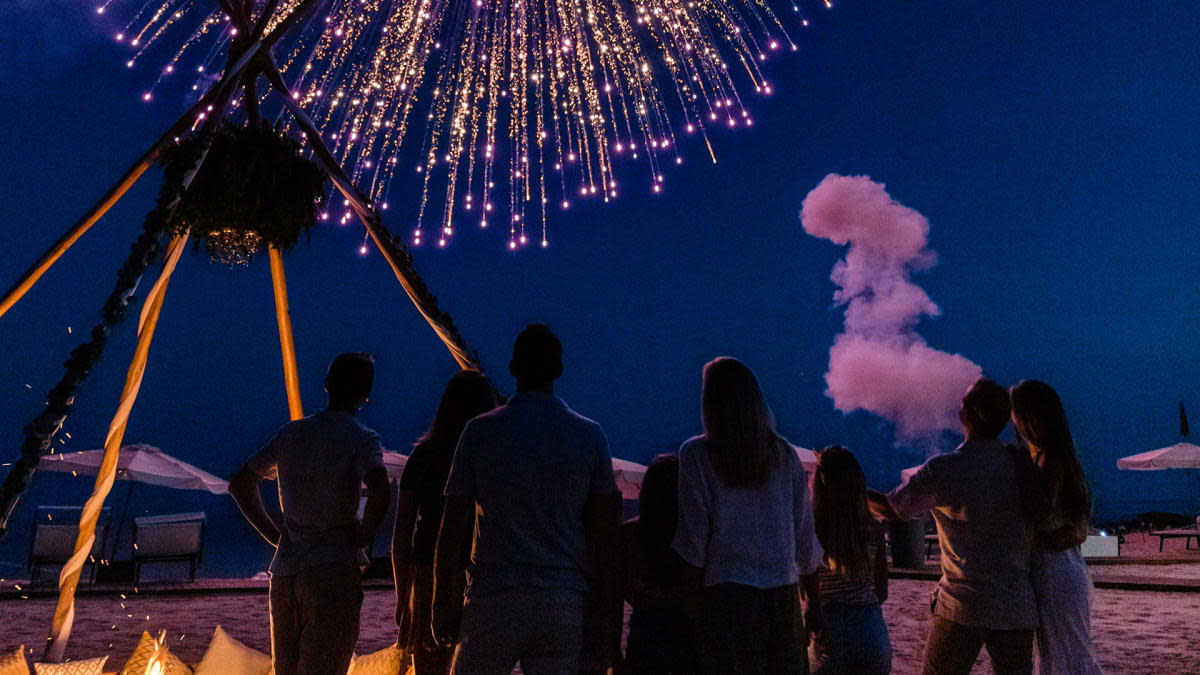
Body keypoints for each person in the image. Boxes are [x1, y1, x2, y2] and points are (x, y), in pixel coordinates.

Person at [431, 323, 623, 675]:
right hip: (561, 599)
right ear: (559, 370)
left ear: (513, 367)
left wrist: (442, 600)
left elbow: (452, 527)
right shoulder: (589, 436)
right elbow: (606, 535)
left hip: (492, 596)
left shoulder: (480, 431)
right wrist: (605, 613)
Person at [229, 353, 391, 675]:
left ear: (327, 384)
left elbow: (241, 483)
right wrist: (365, 533)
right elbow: (380, 489)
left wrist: (276, 537)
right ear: (366, 395)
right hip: (332, 571)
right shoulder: (360, 438)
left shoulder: (292, 434)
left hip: (287, 572)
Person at [868, 378, 1037, 675]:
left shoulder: (944, 469)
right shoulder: (1022, 465)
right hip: (1016, 604)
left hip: (962, 603)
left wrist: (846, 485)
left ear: (965, 415)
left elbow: (890, 508)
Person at [672, 356, 824, 675]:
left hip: (725, 601)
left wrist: (687, 612)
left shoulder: (697, 456)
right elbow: (805, 543)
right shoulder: (784, 456)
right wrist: (814, 604)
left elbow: (693, 546)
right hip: (782, 600)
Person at [393, 369, 498, 675]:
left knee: (430, 667)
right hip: (477, 570)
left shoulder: (424, 456)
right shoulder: (489, 457)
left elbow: (402, 532)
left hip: (425, 574)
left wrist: (404, 594)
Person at [1009, 380, 1103, 675]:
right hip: (1057, 570)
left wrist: (1020, 464)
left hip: (1055, 574)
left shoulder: (1047, 459)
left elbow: (1041, 514)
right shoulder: (1050, 456)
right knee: (1062, 651)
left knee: (1064, 655)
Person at [808, 446, 891, 675]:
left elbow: (806, 592)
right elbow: (882, 592)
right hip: (871, 633)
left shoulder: (812, 530)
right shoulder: (873, 529)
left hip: (829, 634)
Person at [619, 455, 698, 675]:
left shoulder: (629, 536)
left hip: (645, 633)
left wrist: (613, 654)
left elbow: (618, 592)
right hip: (689, 633)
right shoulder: (695, 536)